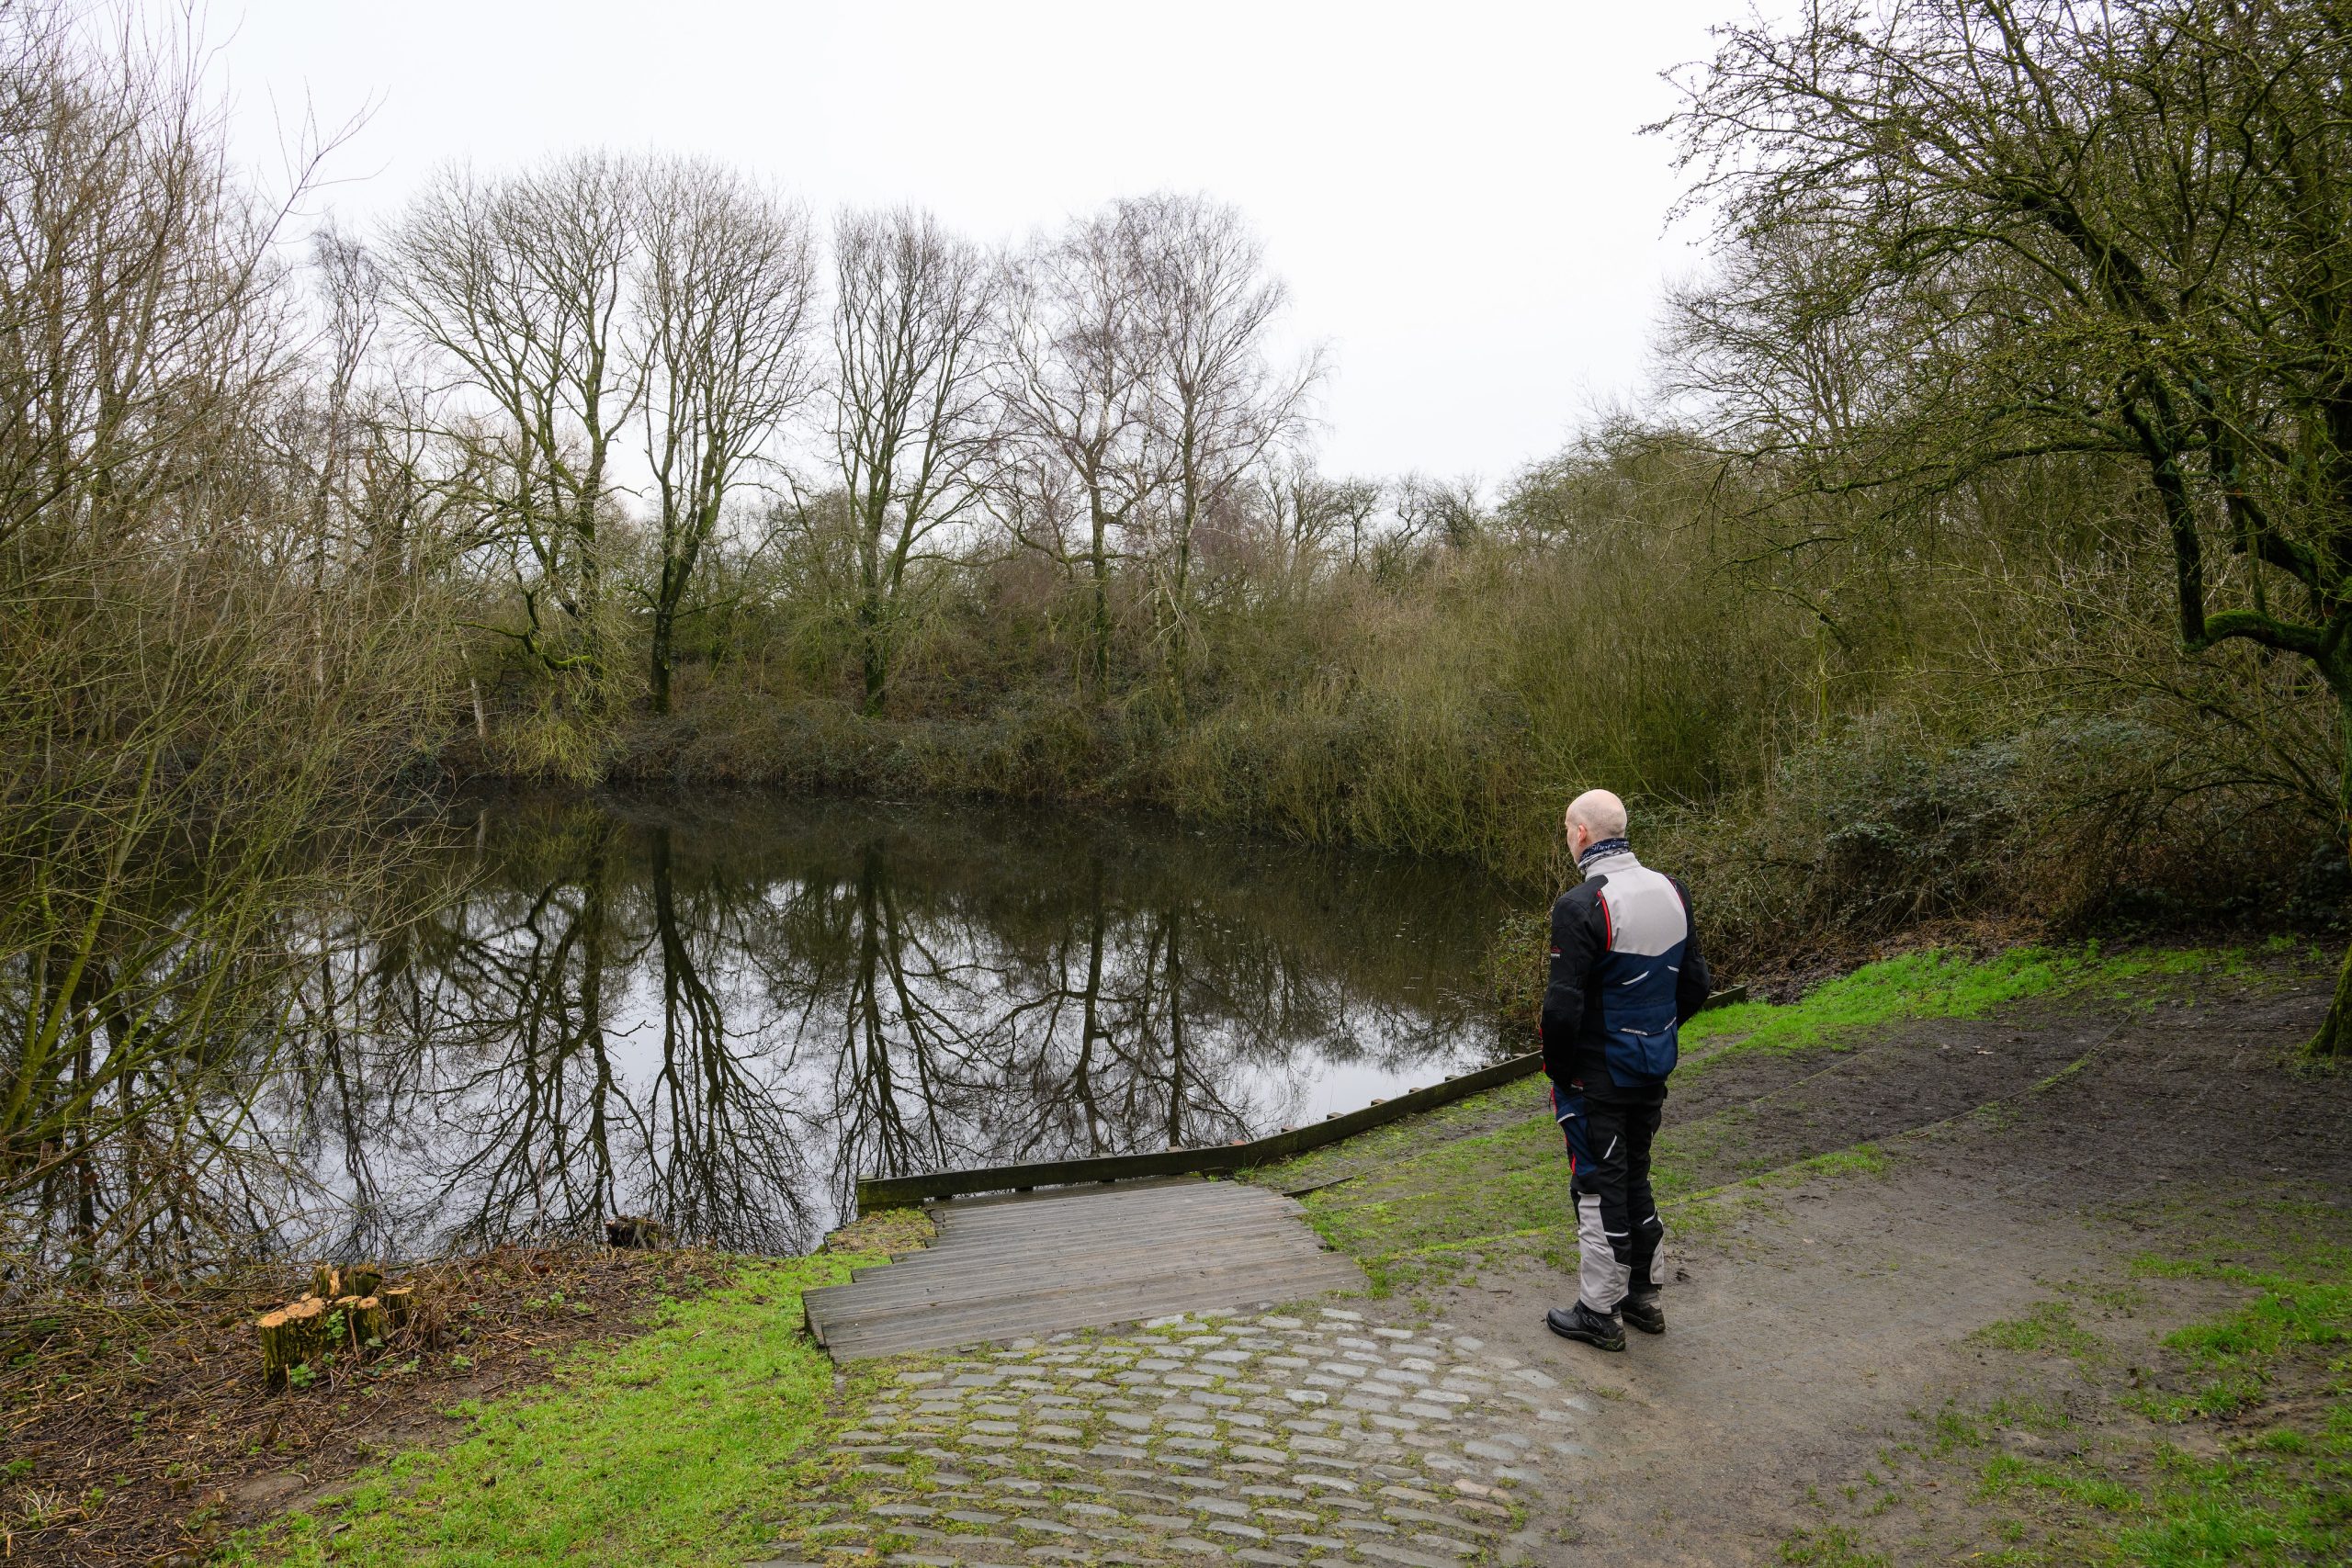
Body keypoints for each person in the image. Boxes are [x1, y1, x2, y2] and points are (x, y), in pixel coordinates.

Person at [1540, 788, 1710, 1351]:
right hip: (1652, 1065)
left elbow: (1561, 1012)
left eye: (1568, 830)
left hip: (1598, 1073)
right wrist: (1655, 1034)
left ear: (1581, 834)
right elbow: (1696, 986)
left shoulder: (1582, 905)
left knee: (1594, 1182)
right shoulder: (1673, 890)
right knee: (1634, 1172)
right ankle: (1644, 1295)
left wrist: (1562, 1075)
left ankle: (1599, 1311)